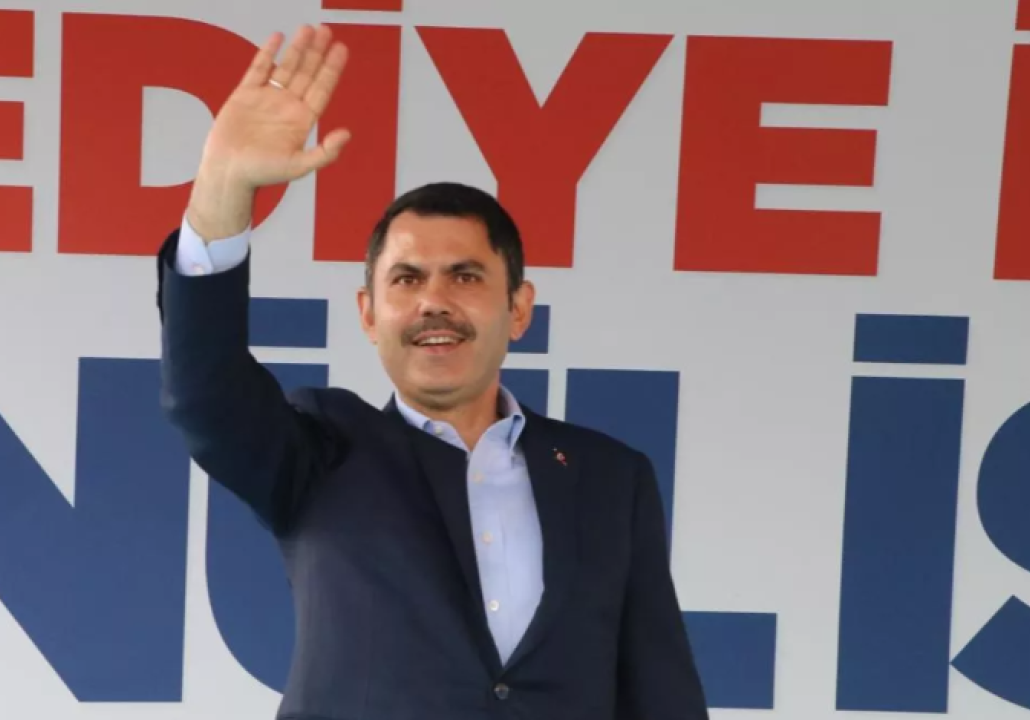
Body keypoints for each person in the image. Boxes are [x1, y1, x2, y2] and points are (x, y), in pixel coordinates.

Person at [155, 23, 710, 720]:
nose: (434, 302)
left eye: (465, 276)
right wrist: (221, 189)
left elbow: (660, 694)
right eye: (407, 278)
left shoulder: (610, 479)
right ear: (368, 313)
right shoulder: (319, 453)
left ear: (518, 309)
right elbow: (204, 395)